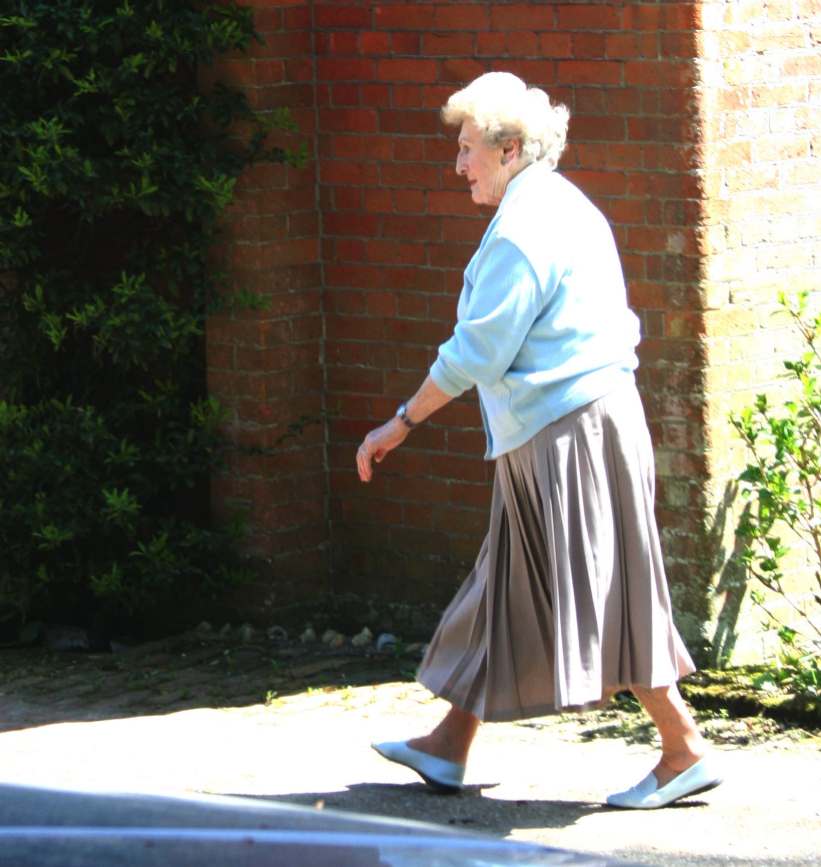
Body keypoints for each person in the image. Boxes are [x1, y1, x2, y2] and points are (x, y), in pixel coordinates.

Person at [356, 72, 721, 810]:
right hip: (574, 421)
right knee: (511, 584)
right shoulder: (560, 203)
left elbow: (475, 354)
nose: (458, 166)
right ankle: (448, 744)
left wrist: (399, 421)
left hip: (568, 431)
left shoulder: (523, 232)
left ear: (509, 149)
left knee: (600, 584)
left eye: (466, 151)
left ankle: (681, 748)